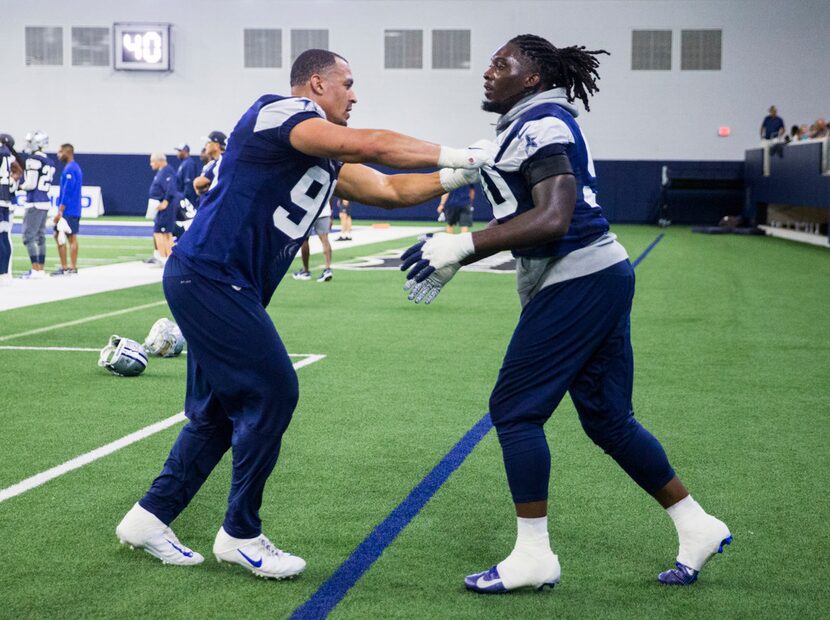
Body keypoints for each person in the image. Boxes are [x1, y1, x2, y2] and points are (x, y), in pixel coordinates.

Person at [115, 48, 487, 580]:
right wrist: (463, 154)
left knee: (217, 414)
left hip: (218, 281)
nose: (355, 95)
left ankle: (148, 518)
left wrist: (456, 178)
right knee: (274, 391)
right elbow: (374, 145)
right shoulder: (280, 112)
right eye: (348, 83)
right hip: (213, 275)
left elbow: (386, 188)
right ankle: (240, 533)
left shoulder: (326, 153)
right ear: (316, 83)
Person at [400, 34, 731, 593]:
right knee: (608, 419)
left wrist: (464, 246)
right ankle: (696, 524)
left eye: (501, 64)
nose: (488, 72)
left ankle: (533, 557)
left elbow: (554, 218)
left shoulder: (545, 122)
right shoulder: (523, 128)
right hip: (598, 274)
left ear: (532, 77)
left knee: (515, 410)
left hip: (578, 275)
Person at [18, 130, 56, 279]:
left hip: (34, 201)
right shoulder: (49, 161)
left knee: (28, 237)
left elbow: (31, 183)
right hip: (45, 201)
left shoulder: (33, 160)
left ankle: (35, 270)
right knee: (40, 236)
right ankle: (40, 269)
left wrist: (18, 186)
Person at [51, 143, 83, 276]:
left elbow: (67, 191)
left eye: (60, 152)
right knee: (69, 237)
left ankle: (67, 267)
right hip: (74, 208)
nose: (58, 155)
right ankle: (70, 267)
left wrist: (60, 210)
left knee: (64, 236)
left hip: (69, 210)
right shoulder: (75, 167)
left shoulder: (70, 169)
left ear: (67, 152)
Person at [147, 152, 180, 264]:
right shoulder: (162, 172)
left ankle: (165, 259)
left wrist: (166, 201)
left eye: (152, 161)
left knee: (162, 232)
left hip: (166, 206)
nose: (151, 164)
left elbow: (171, 188)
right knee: (163, 232)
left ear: (159, 161)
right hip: (163, 205)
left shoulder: (167, 171)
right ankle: (166, 259)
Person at [0, 133, 23, 286]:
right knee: (4, 235)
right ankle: (5, 272)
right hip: (6, 199)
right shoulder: (9, 155)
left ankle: (3, 271)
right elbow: (18, 171)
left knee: (2, 236)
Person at [293, 203, 333, 282]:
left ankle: (306, 271)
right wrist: (330, 212)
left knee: (304, 240)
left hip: (307, 211)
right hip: (323, 211)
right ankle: (328, 269)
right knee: (325, 239)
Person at [193, 131, 226, 197]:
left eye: (208, 142)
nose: (205, 146)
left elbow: (199, 182)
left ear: (216, 145)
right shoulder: (211, 163)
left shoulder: (224, 161)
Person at [174, 143, 200, 210]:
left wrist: (184, 199)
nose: (177, 153)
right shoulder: (184, 163)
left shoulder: (189, 163)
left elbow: (189, 184)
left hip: (188, 200)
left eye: (179, 151)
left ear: (184, 151)